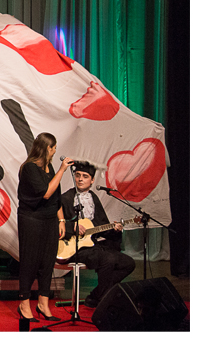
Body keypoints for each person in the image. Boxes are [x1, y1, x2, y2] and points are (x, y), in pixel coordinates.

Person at [60, 161, 135, 308]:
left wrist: (114, 229)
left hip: (92, 245)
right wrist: (71, 226)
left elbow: (101, 227)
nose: (80, 179)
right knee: (109, 259)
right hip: (75, 247)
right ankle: (104, 301)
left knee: (128, 263)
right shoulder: (65, 198)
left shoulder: (94, 198)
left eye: (85, 176)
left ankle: (96, 295)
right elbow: (53, 225)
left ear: (92, 180)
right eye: (78, 175)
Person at [16, 132, 73, 322]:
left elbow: (56, 196)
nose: (56, 151)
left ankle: (43, 303)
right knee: (30, 260)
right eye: (53, 147)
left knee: (47, 262)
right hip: (31, 219)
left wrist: (62, 220)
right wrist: (62, 170)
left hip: (49, 219)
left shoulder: (50, 167)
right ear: (46, 148)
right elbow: (46, 193)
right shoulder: (29, 168)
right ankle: (24, 303)